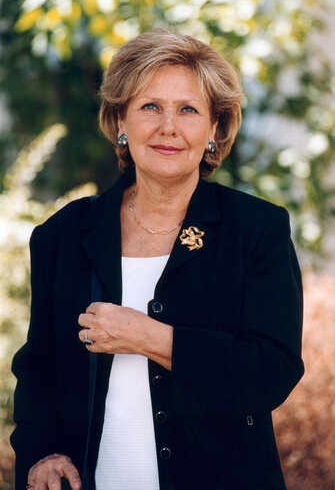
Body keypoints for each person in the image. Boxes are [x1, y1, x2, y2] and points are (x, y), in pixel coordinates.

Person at [11, 28, 304, 490]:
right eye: (151, 107)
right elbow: (39, 368)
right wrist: (39, 453)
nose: (169, 126)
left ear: (213, 129)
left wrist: (151, 338)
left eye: (188, 109)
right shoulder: (64, 234)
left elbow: (272, 372)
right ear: (120, 121)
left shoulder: (256, 229)